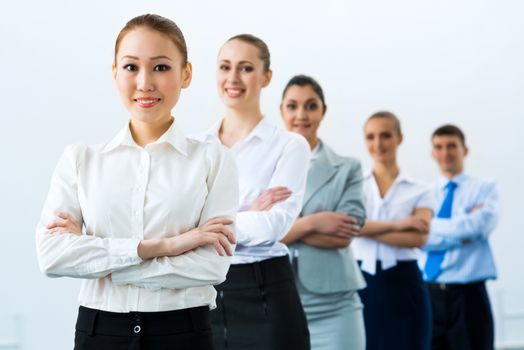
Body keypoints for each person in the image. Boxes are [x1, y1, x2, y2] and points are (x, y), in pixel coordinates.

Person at [35, 14, 239, 350]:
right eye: (131, 67)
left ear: (186, 74)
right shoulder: (81, 160)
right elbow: (52, 256)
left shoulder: (214, 160)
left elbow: (211, 266)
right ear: (115, 73)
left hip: (184, 331)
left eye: (160, 67)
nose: (144, 83)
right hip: (99, 331)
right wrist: (168, 246)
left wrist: (105, 264)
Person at [193, 34, 311, 350]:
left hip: (266, 291)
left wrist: (202, 227)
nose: (233, 78)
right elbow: (170, 223)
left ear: (266, 76)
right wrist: (247, 214)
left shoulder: (290, 146)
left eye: (245, 68)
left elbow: (274, 226)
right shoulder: (193, 149)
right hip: (200, 291)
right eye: (225, 67)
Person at [279, 75, 367, 350]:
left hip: (336, 304)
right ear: (282, 110)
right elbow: (249, 235)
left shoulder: (347, 168)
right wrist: (314, 223)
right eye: (292, 106)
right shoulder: (263, 167)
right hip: (278, 302)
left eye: (311, 106)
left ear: (323, 111)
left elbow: (344, 235)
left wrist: (283, 229)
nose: (301, 115)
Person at [352, 111, 433, 350]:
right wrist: (401, 224)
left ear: (400, 138)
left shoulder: (420, 189)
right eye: (371, 137)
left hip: (405, 285)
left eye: (385, 135)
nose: (378, 144)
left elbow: (417, 238)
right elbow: (350, 226)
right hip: (360, 282)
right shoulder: (354, 185)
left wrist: (364, 227)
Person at [421, 124, 499, 350]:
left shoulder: (485, 188)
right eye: (439, 147)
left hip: (469, 297)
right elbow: (419, 238)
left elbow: (479, 227)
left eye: (451, 146)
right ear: (432, 153)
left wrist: (431, 225)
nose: (445, 153)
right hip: (431, 293)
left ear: (465, 150)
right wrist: (461, 229)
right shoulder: (424, 193)